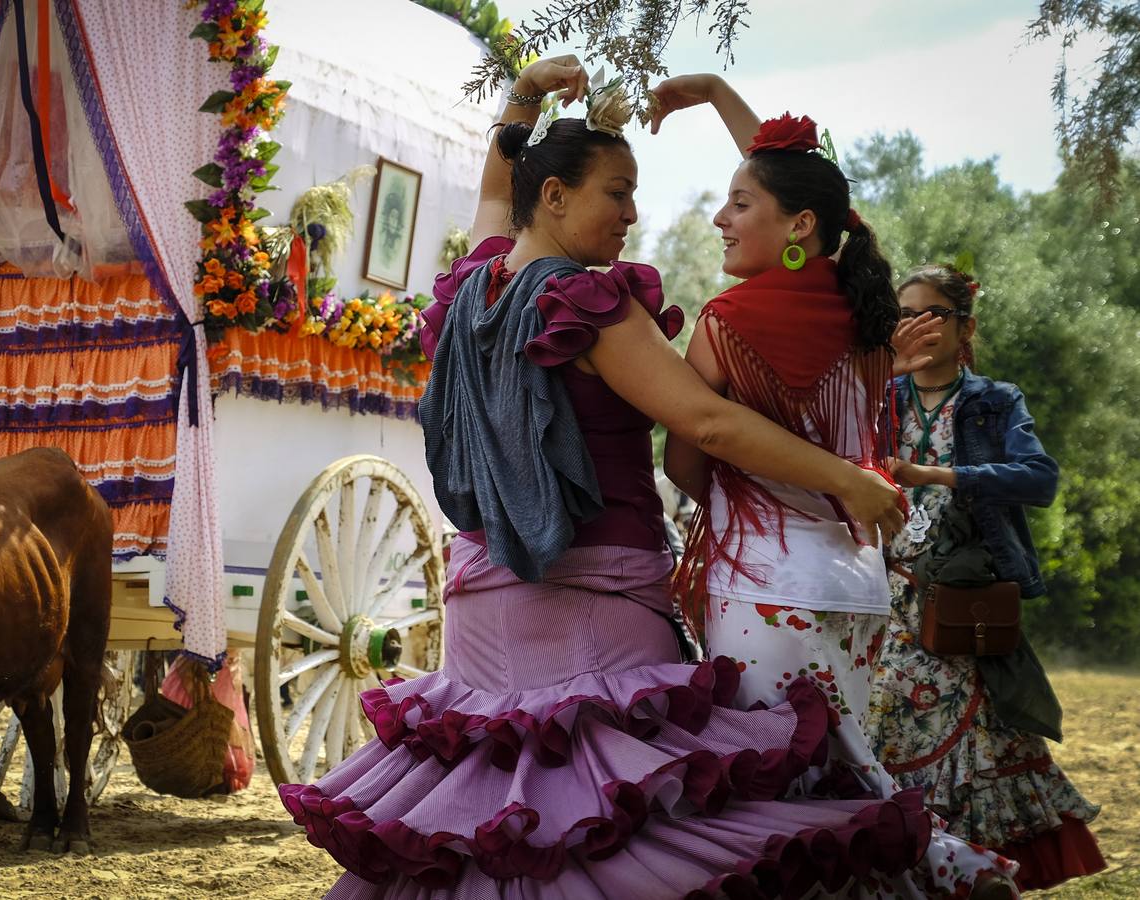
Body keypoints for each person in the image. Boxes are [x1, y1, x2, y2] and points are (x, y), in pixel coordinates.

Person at [279, 55, 1011, 899]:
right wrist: (847, 480)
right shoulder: (588, 306)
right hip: (599, 604)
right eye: (616, 193)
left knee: (502, 827)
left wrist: (525, 95)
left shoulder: (474, 285)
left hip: (483, 604)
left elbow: (496, 194)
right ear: (554, 198)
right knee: (611, 828)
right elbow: (704, 421)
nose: (633, 213)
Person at [656, 75, 1018, 897]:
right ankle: (935, 861)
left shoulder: (726, 320)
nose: (721, 216)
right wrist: (718, 96)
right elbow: (812, 188)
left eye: (738, 203)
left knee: (784, 789)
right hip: (856, 586)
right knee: (841, 760)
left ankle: (949, 863)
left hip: (763, 587)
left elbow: (686, 459)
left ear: (798, 225)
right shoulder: (867, 324)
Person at [866, 264, 1106, 890]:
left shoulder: (994, 401)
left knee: (974, 748)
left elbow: (1040, 479)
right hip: (880, 601)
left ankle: (977, 878)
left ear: (965, 326)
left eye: (933, 313)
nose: (916, 325)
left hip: (961, 600)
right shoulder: (877, 397)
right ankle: (922, 876)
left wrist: (940, 477)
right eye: (904, 313)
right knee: (884, 743)